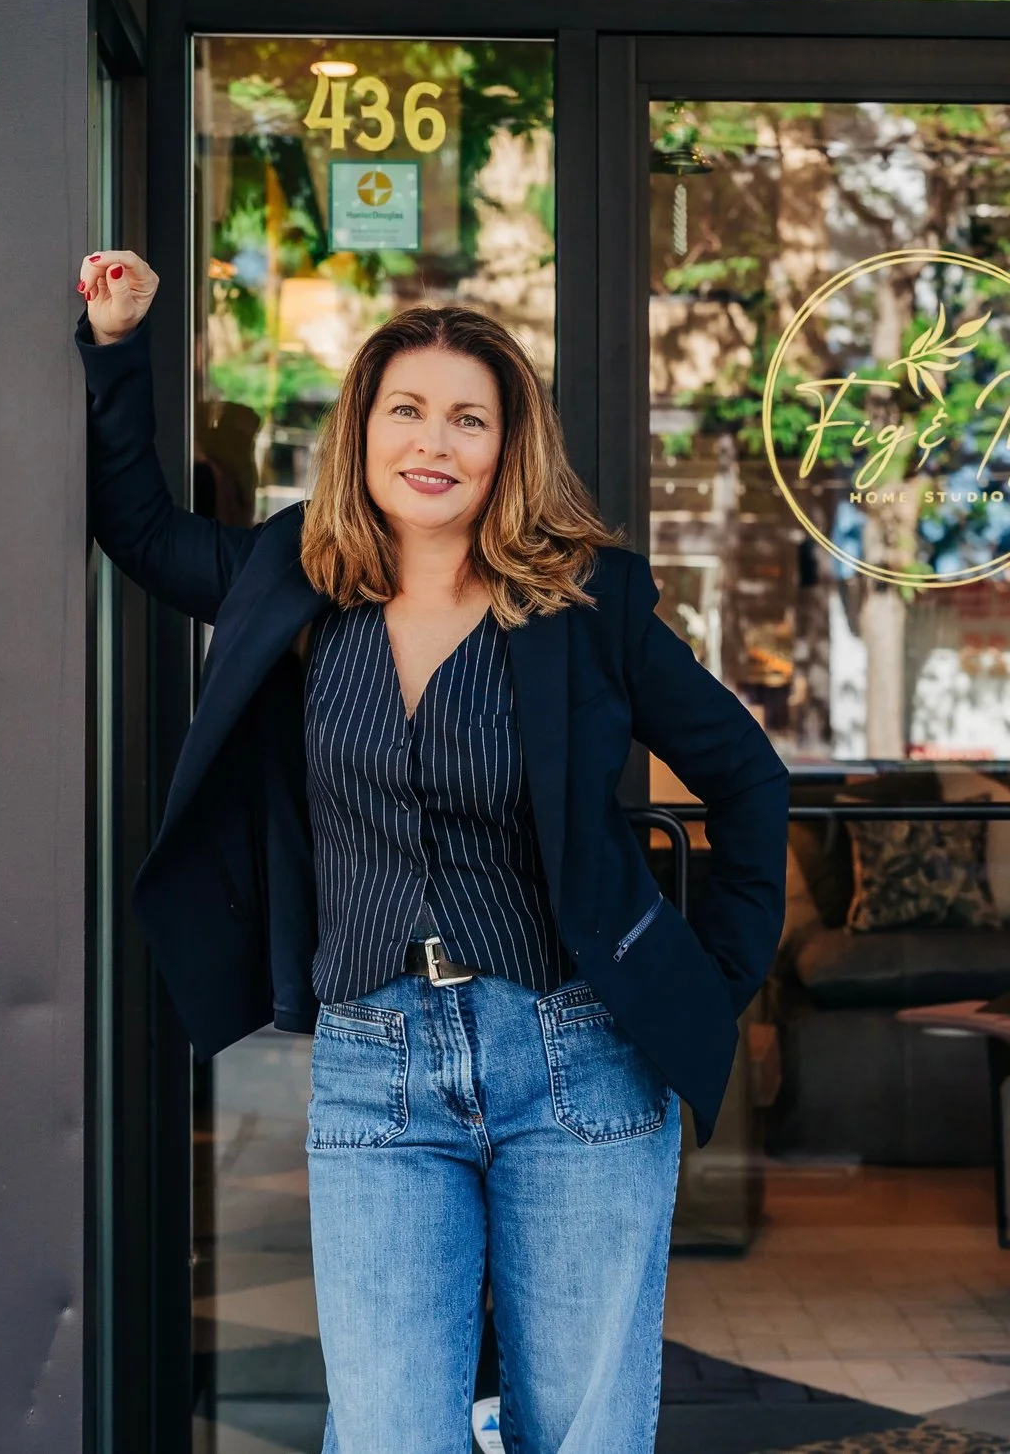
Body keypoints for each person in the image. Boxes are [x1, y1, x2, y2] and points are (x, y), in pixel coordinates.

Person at [72, 251, 788, 1450]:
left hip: (576, 1057)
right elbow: (138, 528)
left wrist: (714, 975)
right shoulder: (294, 576)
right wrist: (114, 342)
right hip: (376, 1062)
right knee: (391, 1430)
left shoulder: (583, 601)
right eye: (406, 409)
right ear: (361, 429)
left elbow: (748, 775)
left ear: (508, 447)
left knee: (583, 1430)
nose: (433, 442)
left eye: (469, 418)